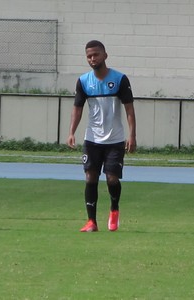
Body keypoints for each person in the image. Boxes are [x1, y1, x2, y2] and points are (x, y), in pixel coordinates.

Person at [67, 40, 137, 232]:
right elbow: (77, 109)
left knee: (112, 179)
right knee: (90, 177)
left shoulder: (120, 79)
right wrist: (72, 132)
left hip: (115, 139)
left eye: (96, 54)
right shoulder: (83, 81)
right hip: (92, 139)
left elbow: (129, 109)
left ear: (105, 55)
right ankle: (91, 221)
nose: (92, 59)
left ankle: (114, 210)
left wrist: (132, 135)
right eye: (89, 56)